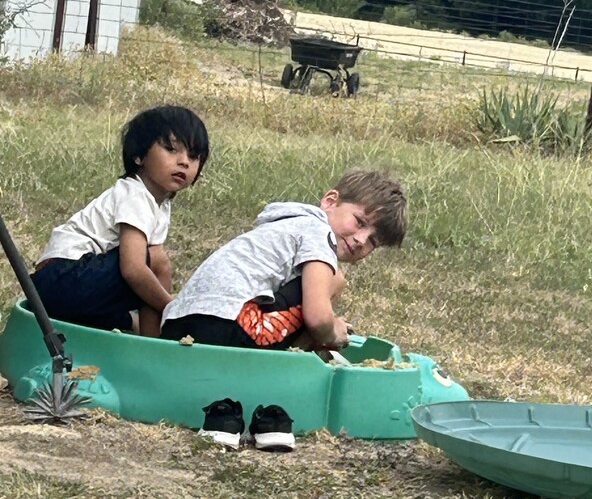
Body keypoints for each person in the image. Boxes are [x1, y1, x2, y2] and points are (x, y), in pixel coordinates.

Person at [161, 169, 407, 350]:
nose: (361, 240)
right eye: (360, 222)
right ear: (330, 201)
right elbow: (317, 318)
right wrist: (333, 330)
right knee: (334, 280)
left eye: (373, 241)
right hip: (227, 326)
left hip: (176, 326)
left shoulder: (289, 224)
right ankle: (291, 368)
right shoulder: (318, 231)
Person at [31, 104, 209, 337]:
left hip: (65, 285)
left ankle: (148, 341)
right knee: (151, 264)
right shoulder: (135, 194)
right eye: (171, 149)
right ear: (139, 155)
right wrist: (171, 309)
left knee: (156, 264)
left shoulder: (160, 204)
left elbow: (157, 266)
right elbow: (133, 269)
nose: (184, 162)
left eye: (194, 156)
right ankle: (153, 344)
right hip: (63, 276)